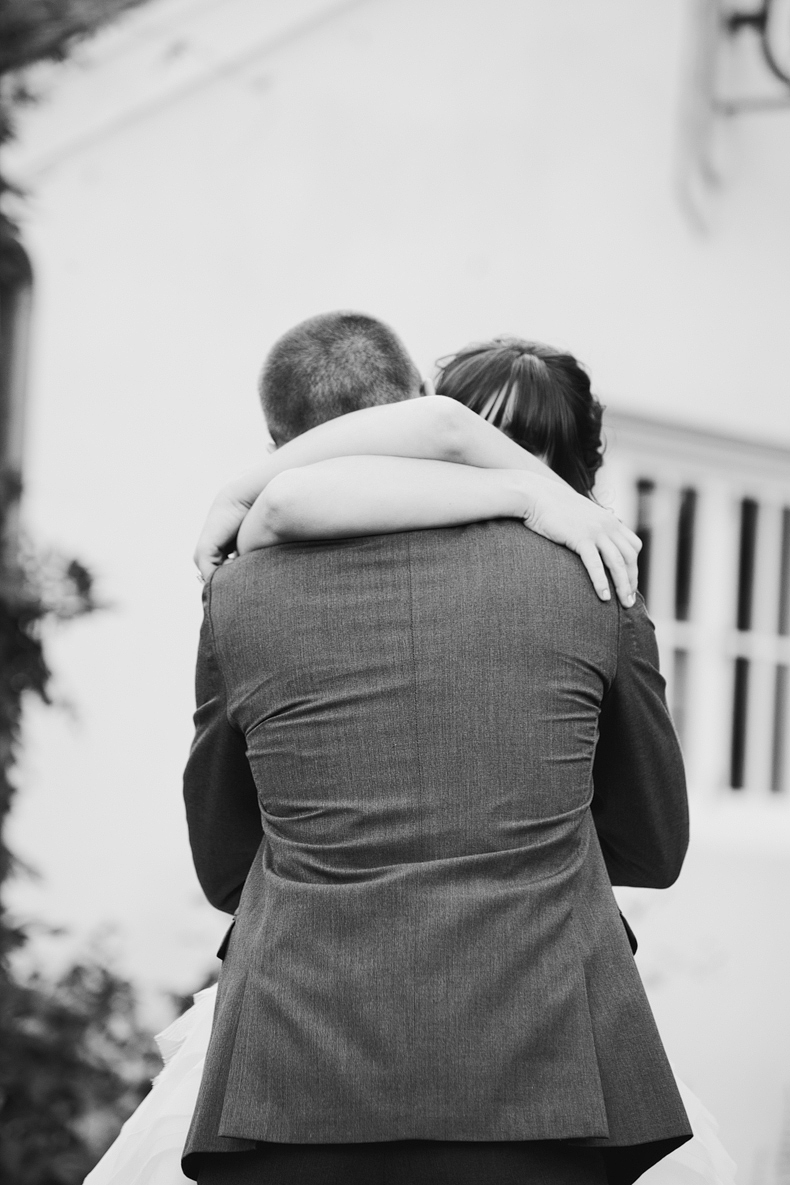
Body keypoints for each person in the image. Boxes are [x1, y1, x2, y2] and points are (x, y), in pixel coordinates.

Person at [86, 315, 706, 1185]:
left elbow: (226, 865)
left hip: (291, 1086)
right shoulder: (595, 573)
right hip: (552, 1082)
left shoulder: (242, 585)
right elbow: (654, 845)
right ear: (416, 408)